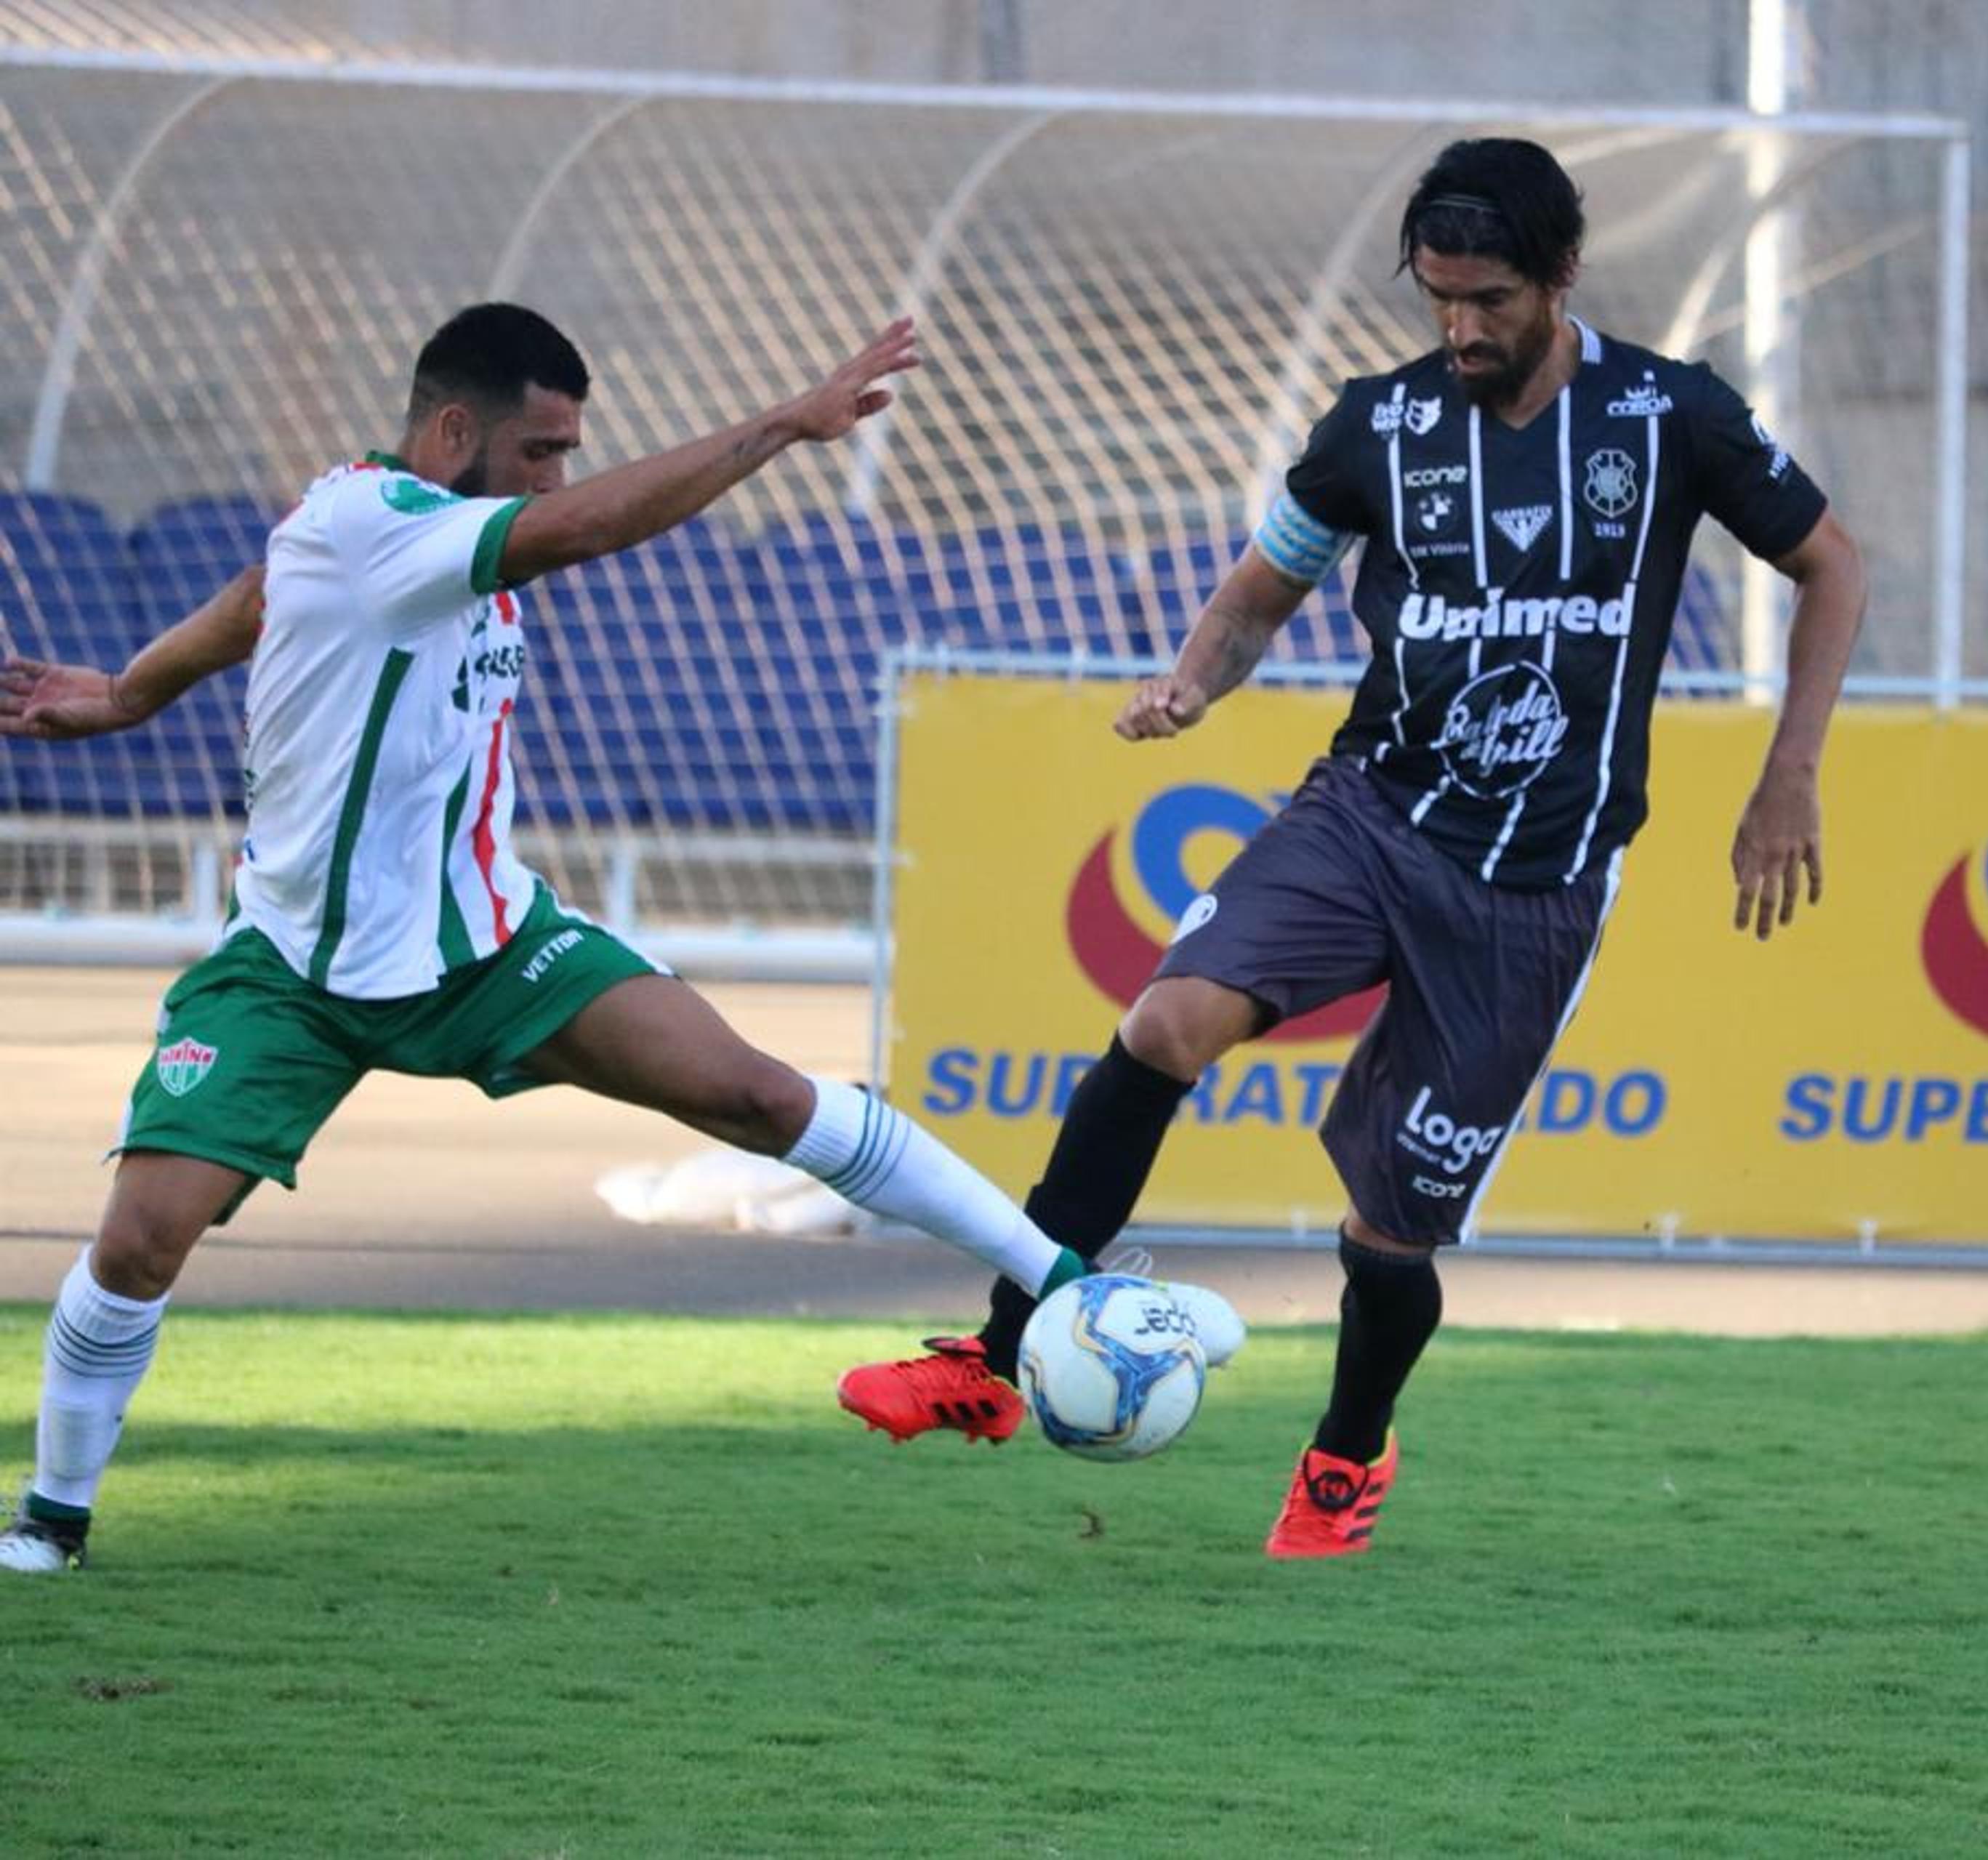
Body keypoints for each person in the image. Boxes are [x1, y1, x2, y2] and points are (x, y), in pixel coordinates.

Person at [0, 302, 1234, 1574]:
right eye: (540, 450)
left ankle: (1072, 1289)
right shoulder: (378, 524)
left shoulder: (382, 534)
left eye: (570, 452)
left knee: (760, 1093)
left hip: (491, 946)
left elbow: (257, 597)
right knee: (143, 1239)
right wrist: (782, 425)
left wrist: (132, 689)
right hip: (294, 974)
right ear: (451, 429)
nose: (559, 478)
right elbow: (552, 536)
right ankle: (52, 1522)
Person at [837, 138, 1867, 1558]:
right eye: (1438, 297)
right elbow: (1262, 591)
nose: (1460, 328)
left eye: (1490, 298)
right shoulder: (1376, 427)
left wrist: (1788, 771)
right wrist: (1197, 679)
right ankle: (992, 1354)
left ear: (1561, 279)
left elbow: (1834, 562)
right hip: (1368, 816)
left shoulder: (1668, 416)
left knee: (1393, 1233)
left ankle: (1344, 1455)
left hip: (1534, 883)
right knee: (1163, 1022)